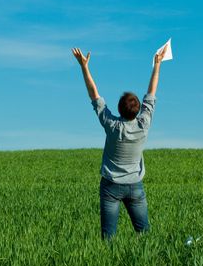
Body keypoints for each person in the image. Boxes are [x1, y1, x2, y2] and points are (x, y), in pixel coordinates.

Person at [71, 45, 168, 240]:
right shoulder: (144, 124)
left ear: (118, 109)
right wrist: (157, 64)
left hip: (110, 186)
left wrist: (84, 66)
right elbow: (151, 93)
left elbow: (94, 94)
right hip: (135, 186)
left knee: (108, 239)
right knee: (145, 235)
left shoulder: (111, 125)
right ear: (138, 110)